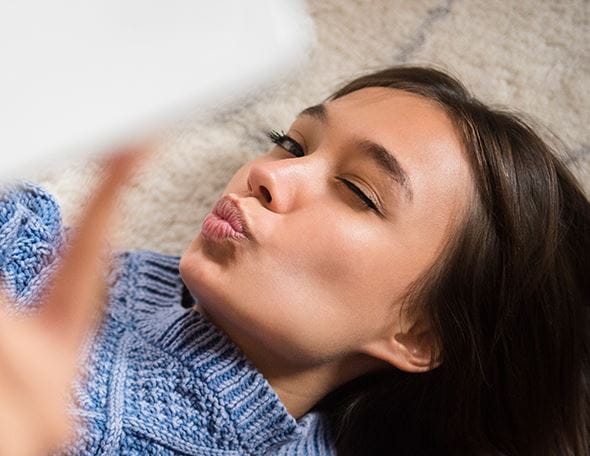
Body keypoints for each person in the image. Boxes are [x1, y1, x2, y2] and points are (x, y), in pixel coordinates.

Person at [0, 65, 588, 455]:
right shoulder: (43, 244)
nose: (269, 173)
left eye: (359, 191)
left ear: (419, 334)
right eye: (291, 143)